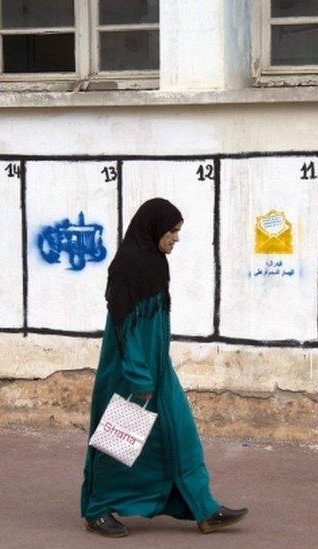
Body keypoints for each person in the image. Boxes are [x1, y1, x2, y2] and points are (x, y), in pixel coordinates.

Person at [80, 198, 248, 537]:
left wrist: (157, 370)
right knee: (119, 445)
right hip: (130, 376)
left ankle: (204, 508)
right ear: (154, 228)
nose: (176, 238)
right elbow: (125, 330)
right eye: (172, 231)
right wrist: (139, 377)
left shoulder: (156, 263)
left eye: (178, 231)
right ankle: (96, 511)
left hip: (158, 371)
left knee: (181, 436)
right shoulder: (128, 266)